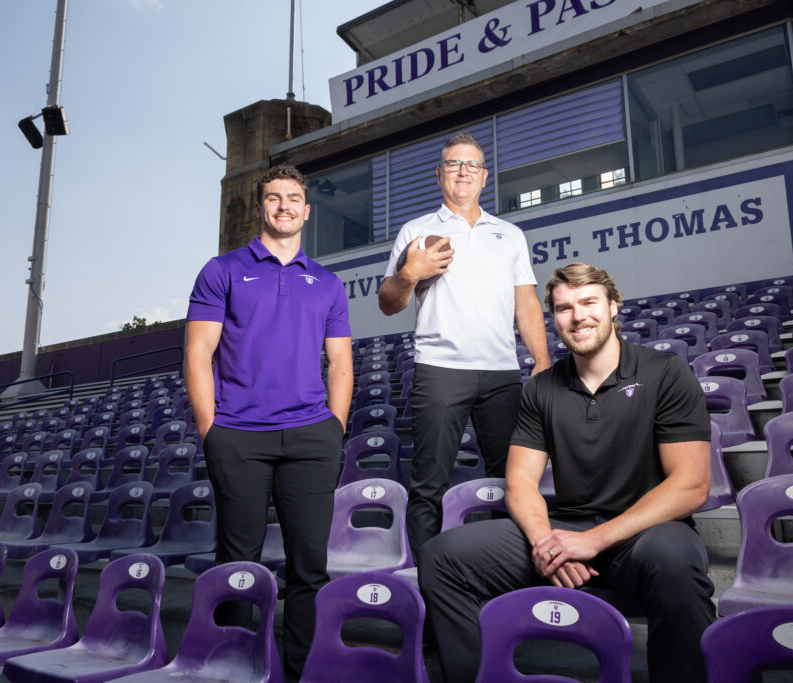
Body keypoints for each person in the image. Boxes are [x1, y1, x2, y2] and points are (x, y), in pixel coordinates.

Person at [419, 262, 716, 682]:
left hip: (646, 533)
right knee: (442, 556)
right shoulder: (541, 388)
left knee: (675, 563)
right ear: (554, 318)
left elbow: (691, 485)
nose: (578, 316)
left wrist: (591, 542)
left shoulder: (665, 373)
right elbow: (519, 481)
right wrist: (547, 543)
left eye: (589, 302)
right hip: (567, 526)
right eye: (564, 308)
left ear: (614, 307)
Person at [184, 165, 352, 679]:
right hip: (238, 435)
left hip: (310, 436)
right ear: (260, 207)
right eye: (273, 197)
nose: (283, 206)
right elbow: (198, 353)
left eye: (293, 198)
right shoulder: (223, 269)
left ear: (307, 210)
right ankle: (234, 664)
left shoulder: (326, 282)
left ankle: (302, 669)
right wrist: (211, 430)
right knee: (237, 562)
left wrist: (334, 427)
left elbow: (341, 364)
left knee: (309, 567)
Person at [378, 132, 551, 560]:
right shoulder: (416, 232)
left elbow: (526, 301)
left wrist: (542, 359)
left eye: (471, 165)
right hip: (439, 369)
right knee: (429, 484)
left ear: (484, 176)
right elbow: (387, 303)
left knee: (509, 480)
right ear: (439, 175)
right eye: (454, 164)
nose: (462, 172)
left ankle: (498, 570)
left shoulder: (509, 234)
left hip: (501, 372)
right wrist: (408, 274)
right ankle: (429, 581)